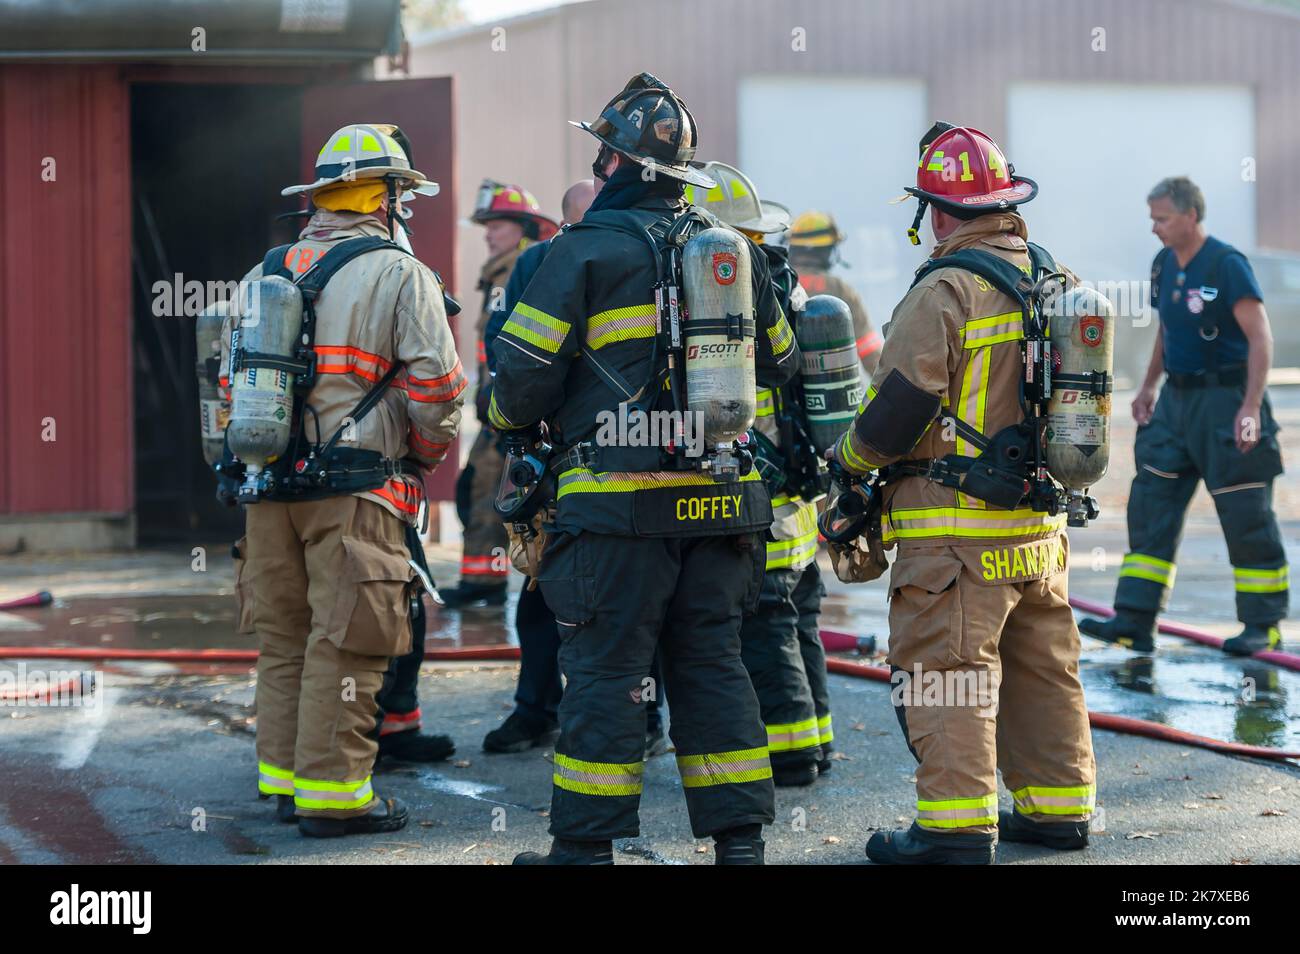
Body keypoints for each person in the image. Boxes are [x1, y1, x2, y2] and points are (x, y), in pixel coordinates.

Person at [490, 73, 800, 864]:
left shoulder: (581, 251)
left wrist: (506, 427)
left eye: (601, 153)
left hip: (616, 510)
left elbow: (521, 381)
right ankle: (741, 847)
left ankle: (587, 851)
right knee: (713, 664)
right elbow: (785, 364)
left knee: (604, 672)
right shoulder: (728, 252)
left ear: (615, 164)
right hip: (723, 501)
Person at [833, 123, 1095, 864]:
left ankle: (952, 830)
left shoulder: (946, 288)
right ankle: (1057, 811)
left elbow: (898, 409)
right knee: (1044, 667)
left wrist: (848, 461)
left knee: (947, 673)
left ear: (938, 213)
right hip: (1037, 533)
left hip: (954, 534)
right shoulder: (1056, 278)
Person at [219, 123, 465, 836]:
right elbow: (441, 391)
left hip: (267, 489)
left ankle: (285, 780)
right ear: (385, 196)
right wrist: (420, 456)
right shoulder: (400, 274)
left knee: (285, 634)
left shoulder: (264, 272)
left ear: (325, 197)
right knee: (346, 638)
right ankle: (333, 800)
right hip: (356, 490)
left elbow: (227, 385)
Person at [1078, 176, 1288, 656]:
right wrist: (1150, 386)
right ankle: (1134, 620)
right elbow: (1166, 330)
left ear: (1191, 215)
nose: (1155, 228)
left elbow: (1261, 337)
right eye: (1153, 218)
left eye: (1163, 218)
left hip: (1226, 400)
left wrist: (1250, 407)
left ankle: (1263, 625)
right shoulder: (1164, 264)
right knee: (1151, 503)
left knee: (1245, 512)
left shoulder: (1227, 264)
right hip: (1176, 402)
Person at [685, 161, 833, 786]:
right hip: (798, 493)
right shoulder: (787, 285)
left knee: (766, 625)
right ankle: (817, 738)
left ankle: (792, 753)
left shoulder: (729, 294)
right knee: (800, 618)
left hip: (758, 488)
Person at [441, 182, 558, 607]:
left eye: (497, 225)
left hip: (508, 407)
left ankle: (486, 582)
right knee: (478, 485)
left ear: (523, 227)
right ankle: (485, 579)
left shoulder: (519, 271)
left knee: (491, 488)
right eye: (486, 226)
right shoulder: (500, 272)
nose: (489, 234)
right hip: (496, 403)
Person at [789, 209, 882, 376]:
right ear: (828, 250)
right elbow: (870, 352)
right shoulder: (841, 290)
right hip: (833, 393)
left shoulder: (777, 283)